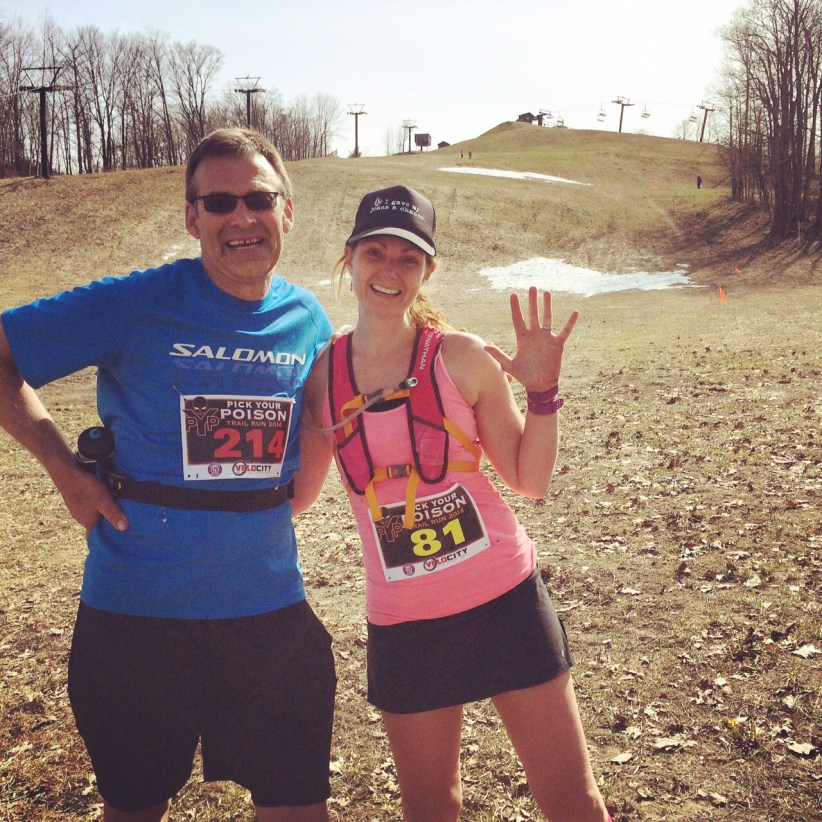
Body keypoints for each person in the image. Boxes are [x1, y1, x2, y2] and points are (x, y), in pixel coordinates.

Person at [0, 128, 336, 822]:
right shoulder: (136, 302)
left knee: (300, 807)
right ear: (192, 218)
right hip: (138, 622)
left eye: (258, 198)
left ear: (287, 209)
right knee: (136, 807)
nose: (240, 217)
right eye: (218, 203)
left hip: (270, 615)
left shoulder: (307, 319)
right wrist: (64, 470)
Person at [299, 185, 610, 822]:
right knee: (430, 805)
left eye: (407, 259)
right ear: (349, 257)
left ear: (428, 270)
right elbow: (298, 497)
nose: (389, 270)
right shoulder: (320, 378)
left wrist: (544, 393)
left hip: (505, 601)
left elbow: (529, 479)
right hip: (405, 622)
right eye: (375, 253)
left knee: (572, 800)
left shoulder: (461, 357)